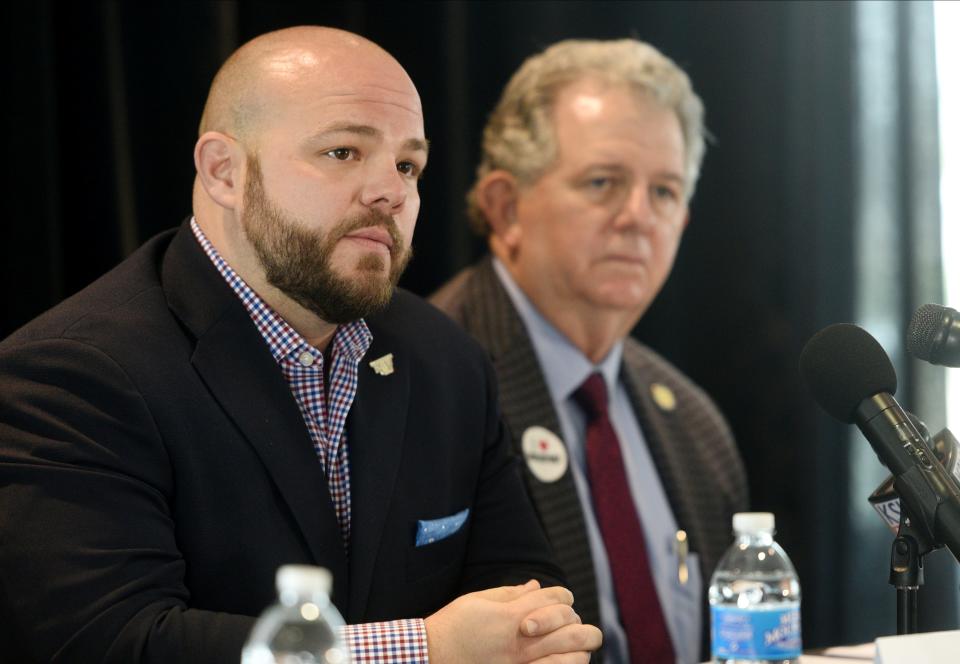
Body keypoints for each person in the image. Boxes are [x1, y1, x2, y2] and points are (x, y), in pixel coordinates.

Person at [0, 26, 602, 664]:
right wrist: (423, 649)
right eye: (344, 152)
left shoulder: (447, 359)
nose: (390, 191)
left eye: (408, 165)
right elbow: (111, 642)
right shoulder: (71, 375)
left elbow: (526, 601)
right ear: (223, 171)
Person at [431, 39, 748, 663]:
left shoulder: (694, 420)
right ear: (505, 207)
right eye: (603, 182)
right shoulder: (428, 378)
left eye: (665, 192)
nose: (638, 217)